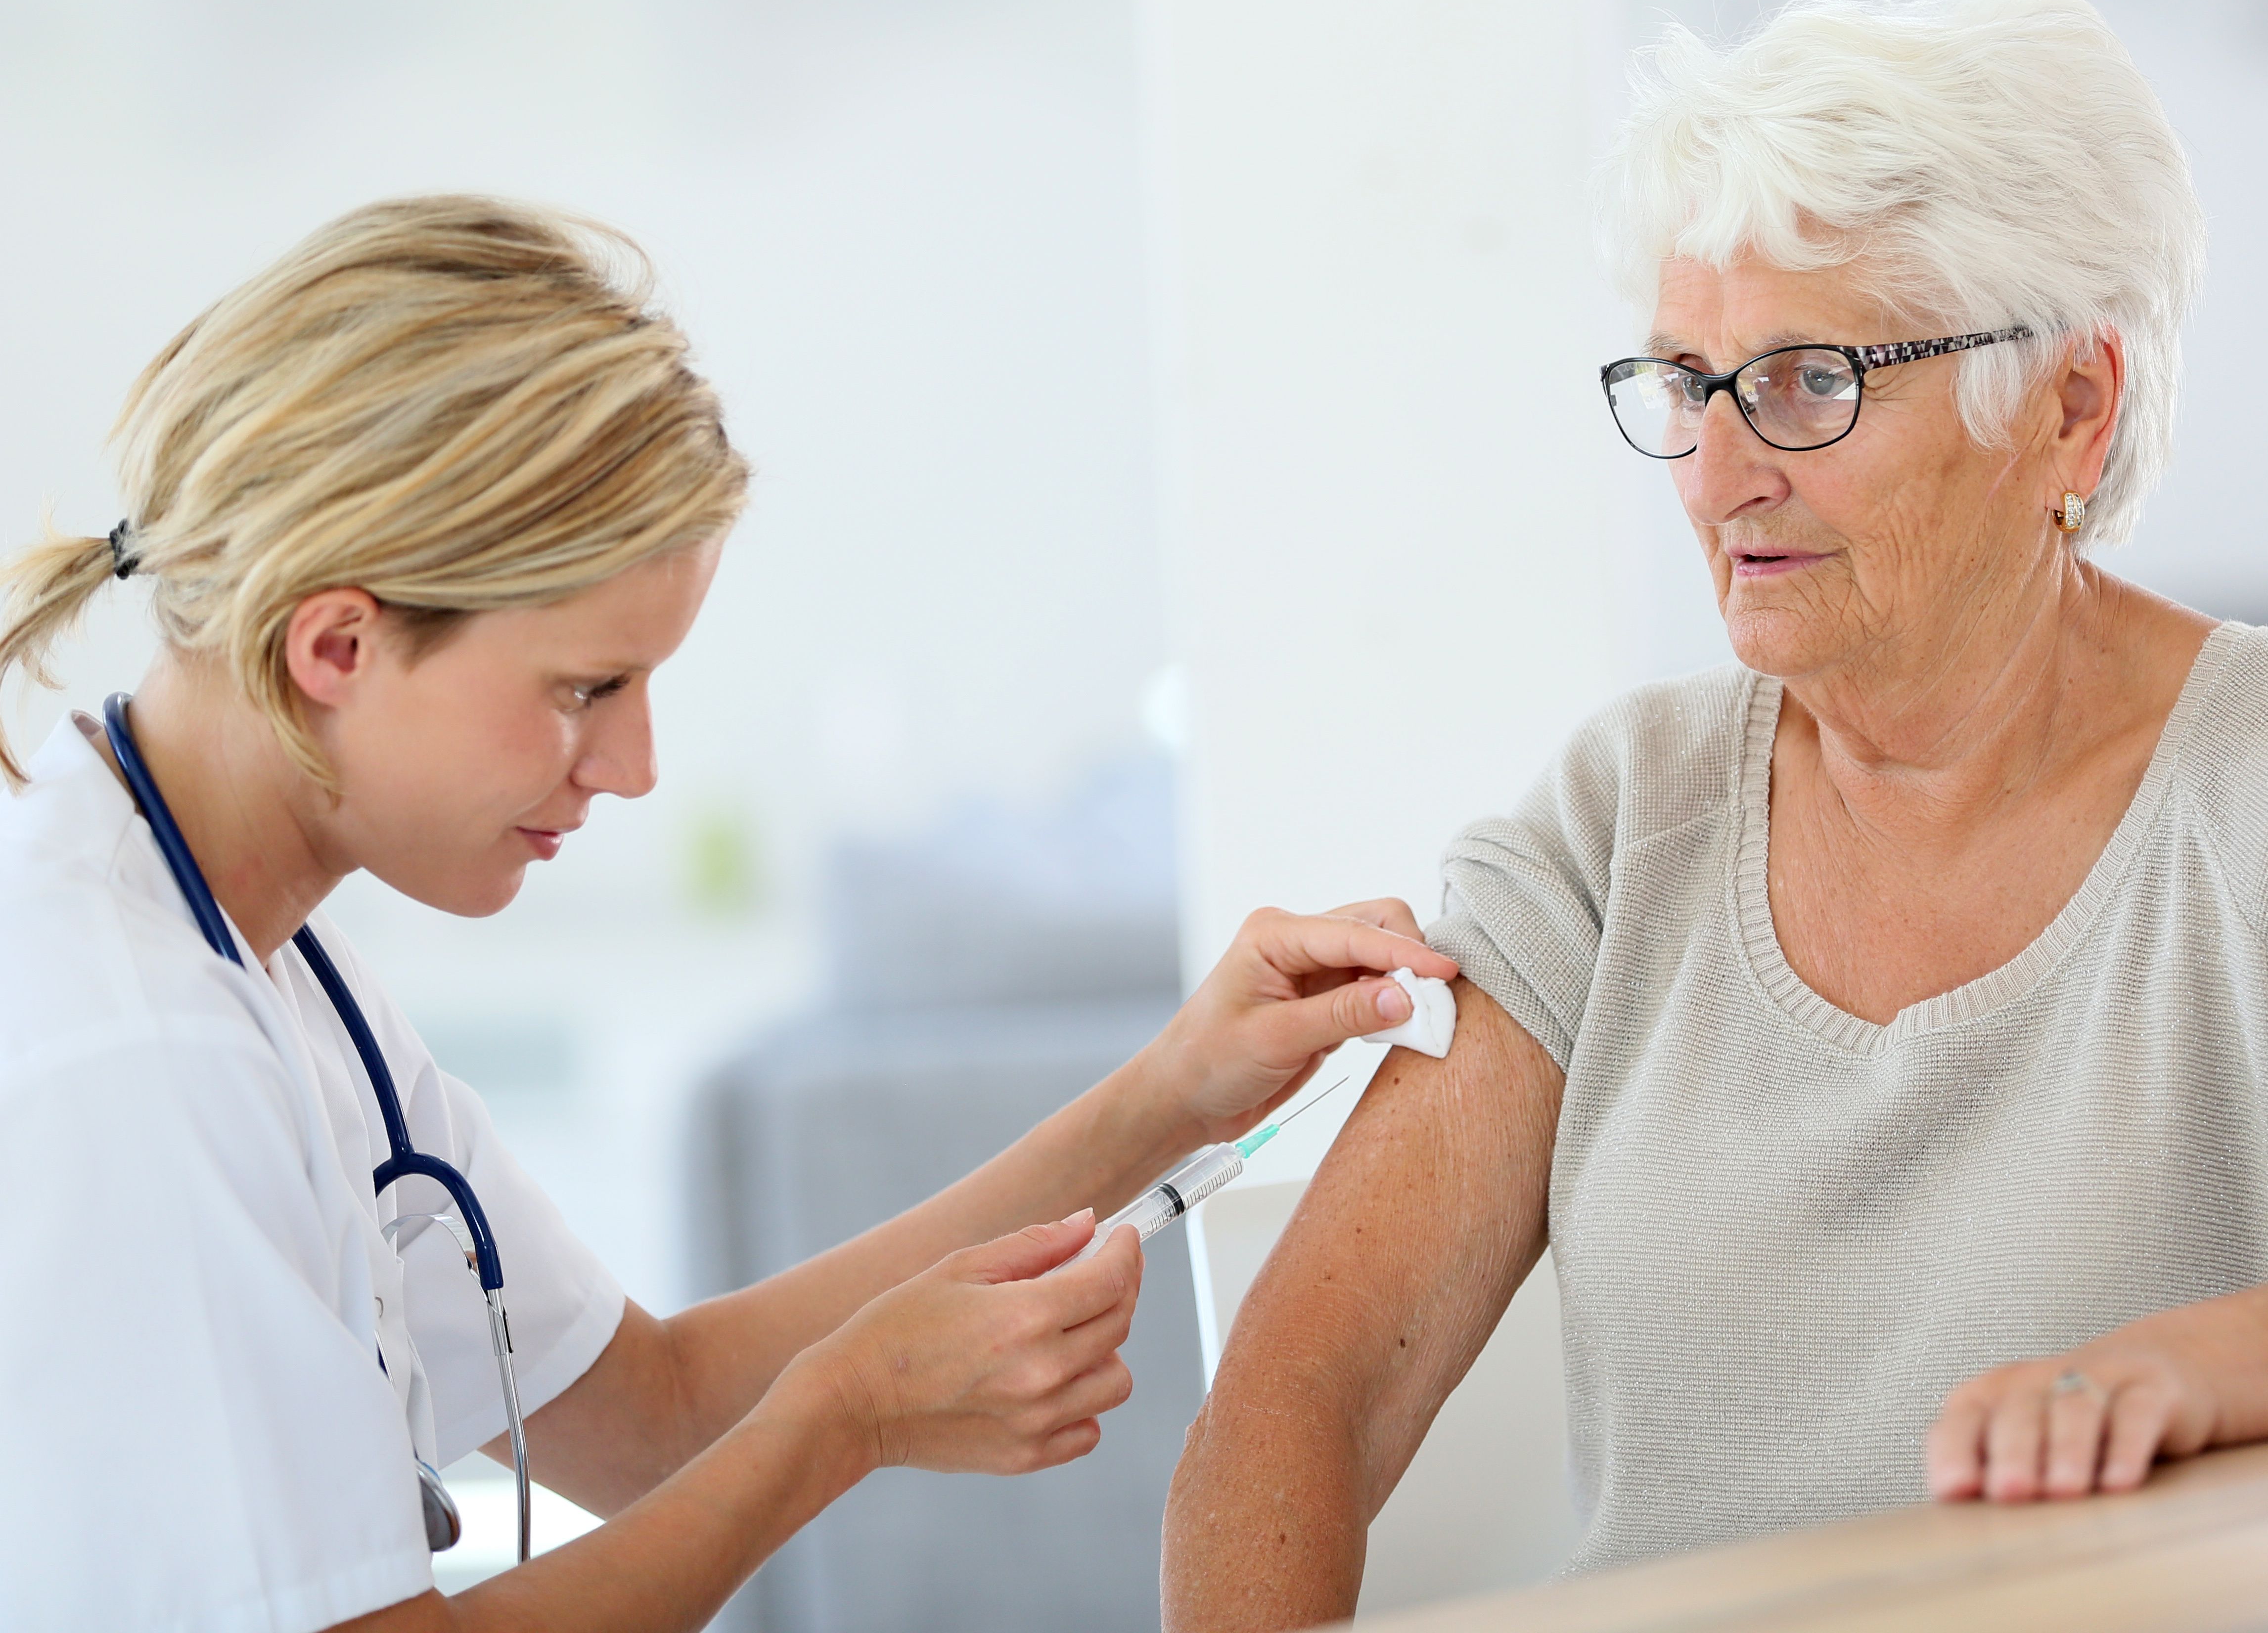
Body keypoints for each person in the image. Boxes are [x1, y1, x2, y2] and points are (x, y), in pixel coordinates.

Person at [1161, 0, 2268, 1628]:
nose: (1718, 471)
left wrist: (2181, 1374)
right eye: (1692, 382)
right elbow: (1291, 1407)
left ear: (2070, 404)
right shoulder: (1623, 820)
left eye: (1813, 381)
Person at [0, 196, 1457, 1633]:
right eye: (587, 690)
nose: (634, 770)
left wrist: (1175, 1094)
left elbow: (648, 1414)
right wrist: (840, 1421)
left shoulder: (269, 968)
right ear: (336, 642)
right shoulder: (130, 1055)